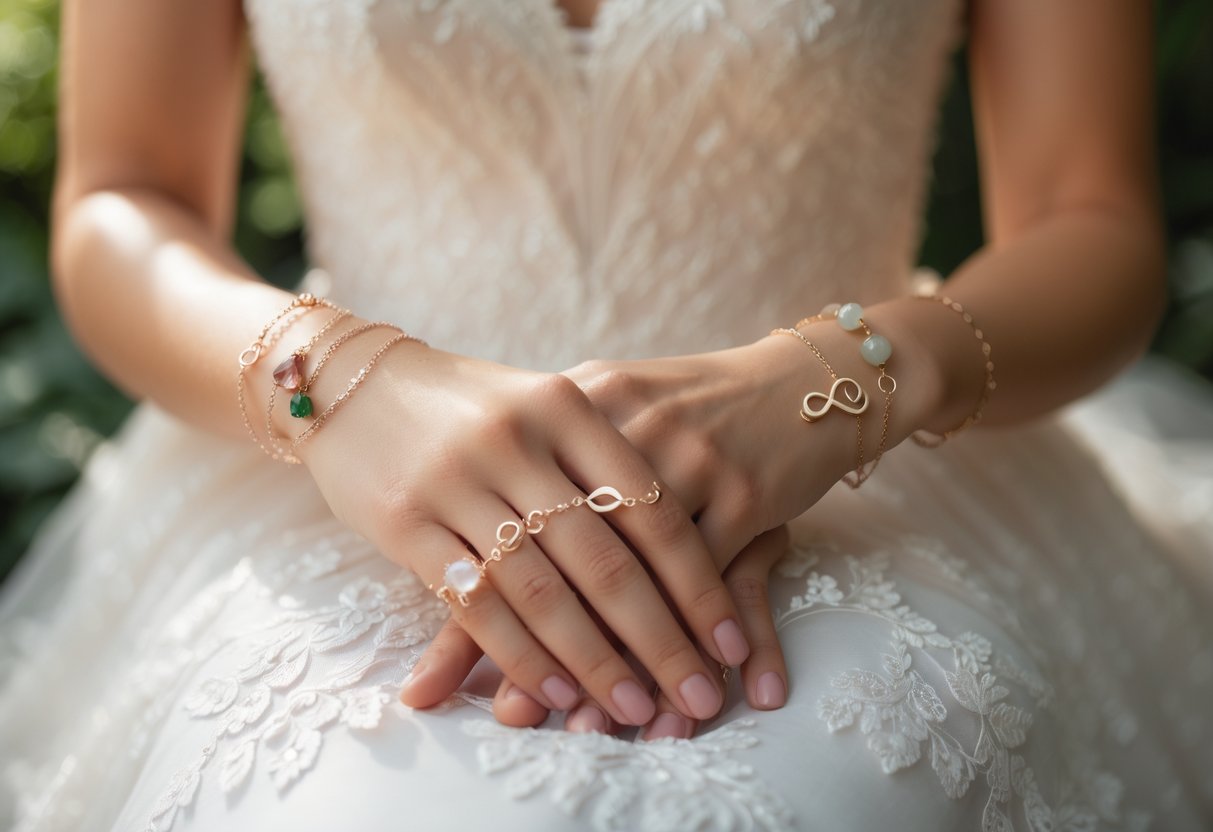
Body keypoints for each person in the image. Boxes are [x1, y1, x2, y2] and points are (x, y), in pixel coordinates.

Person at [2, 0, 1212, 829]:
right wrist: (335, 382)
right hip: (338, 453)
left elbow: (1087, 216)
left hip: (857, 452)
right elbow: (126, 193)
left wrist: (837, 383)